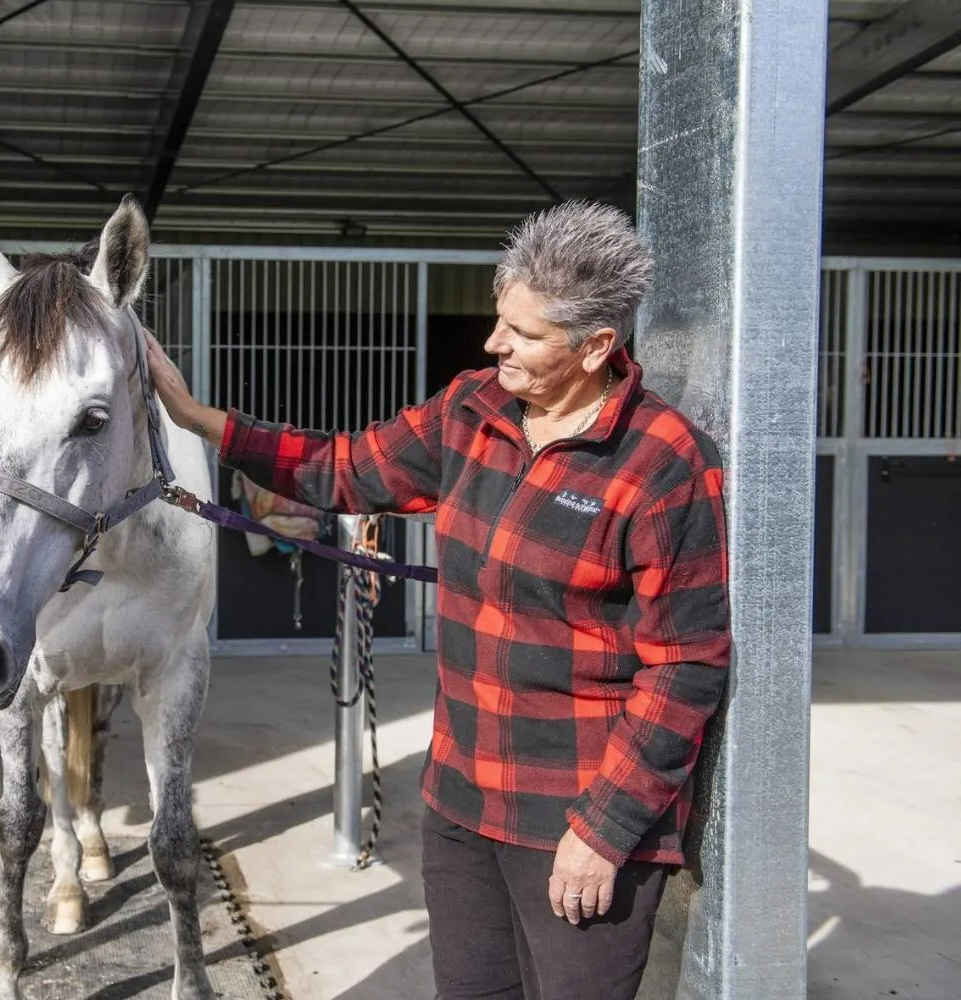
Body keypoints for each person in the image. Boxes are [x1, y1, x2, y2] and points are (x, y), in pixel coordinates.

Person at [145, 201, 731, 1000]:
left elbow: (684, 667)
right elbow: (344, 467)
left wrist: (606, 830)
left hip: (576, 815)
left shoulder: (661, 463)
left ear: (597, 347)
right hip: (461, 800)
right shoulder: (472, 409)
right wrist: (195, 419)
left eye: (522, 334)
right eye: (500, 321)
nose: (495, 343)